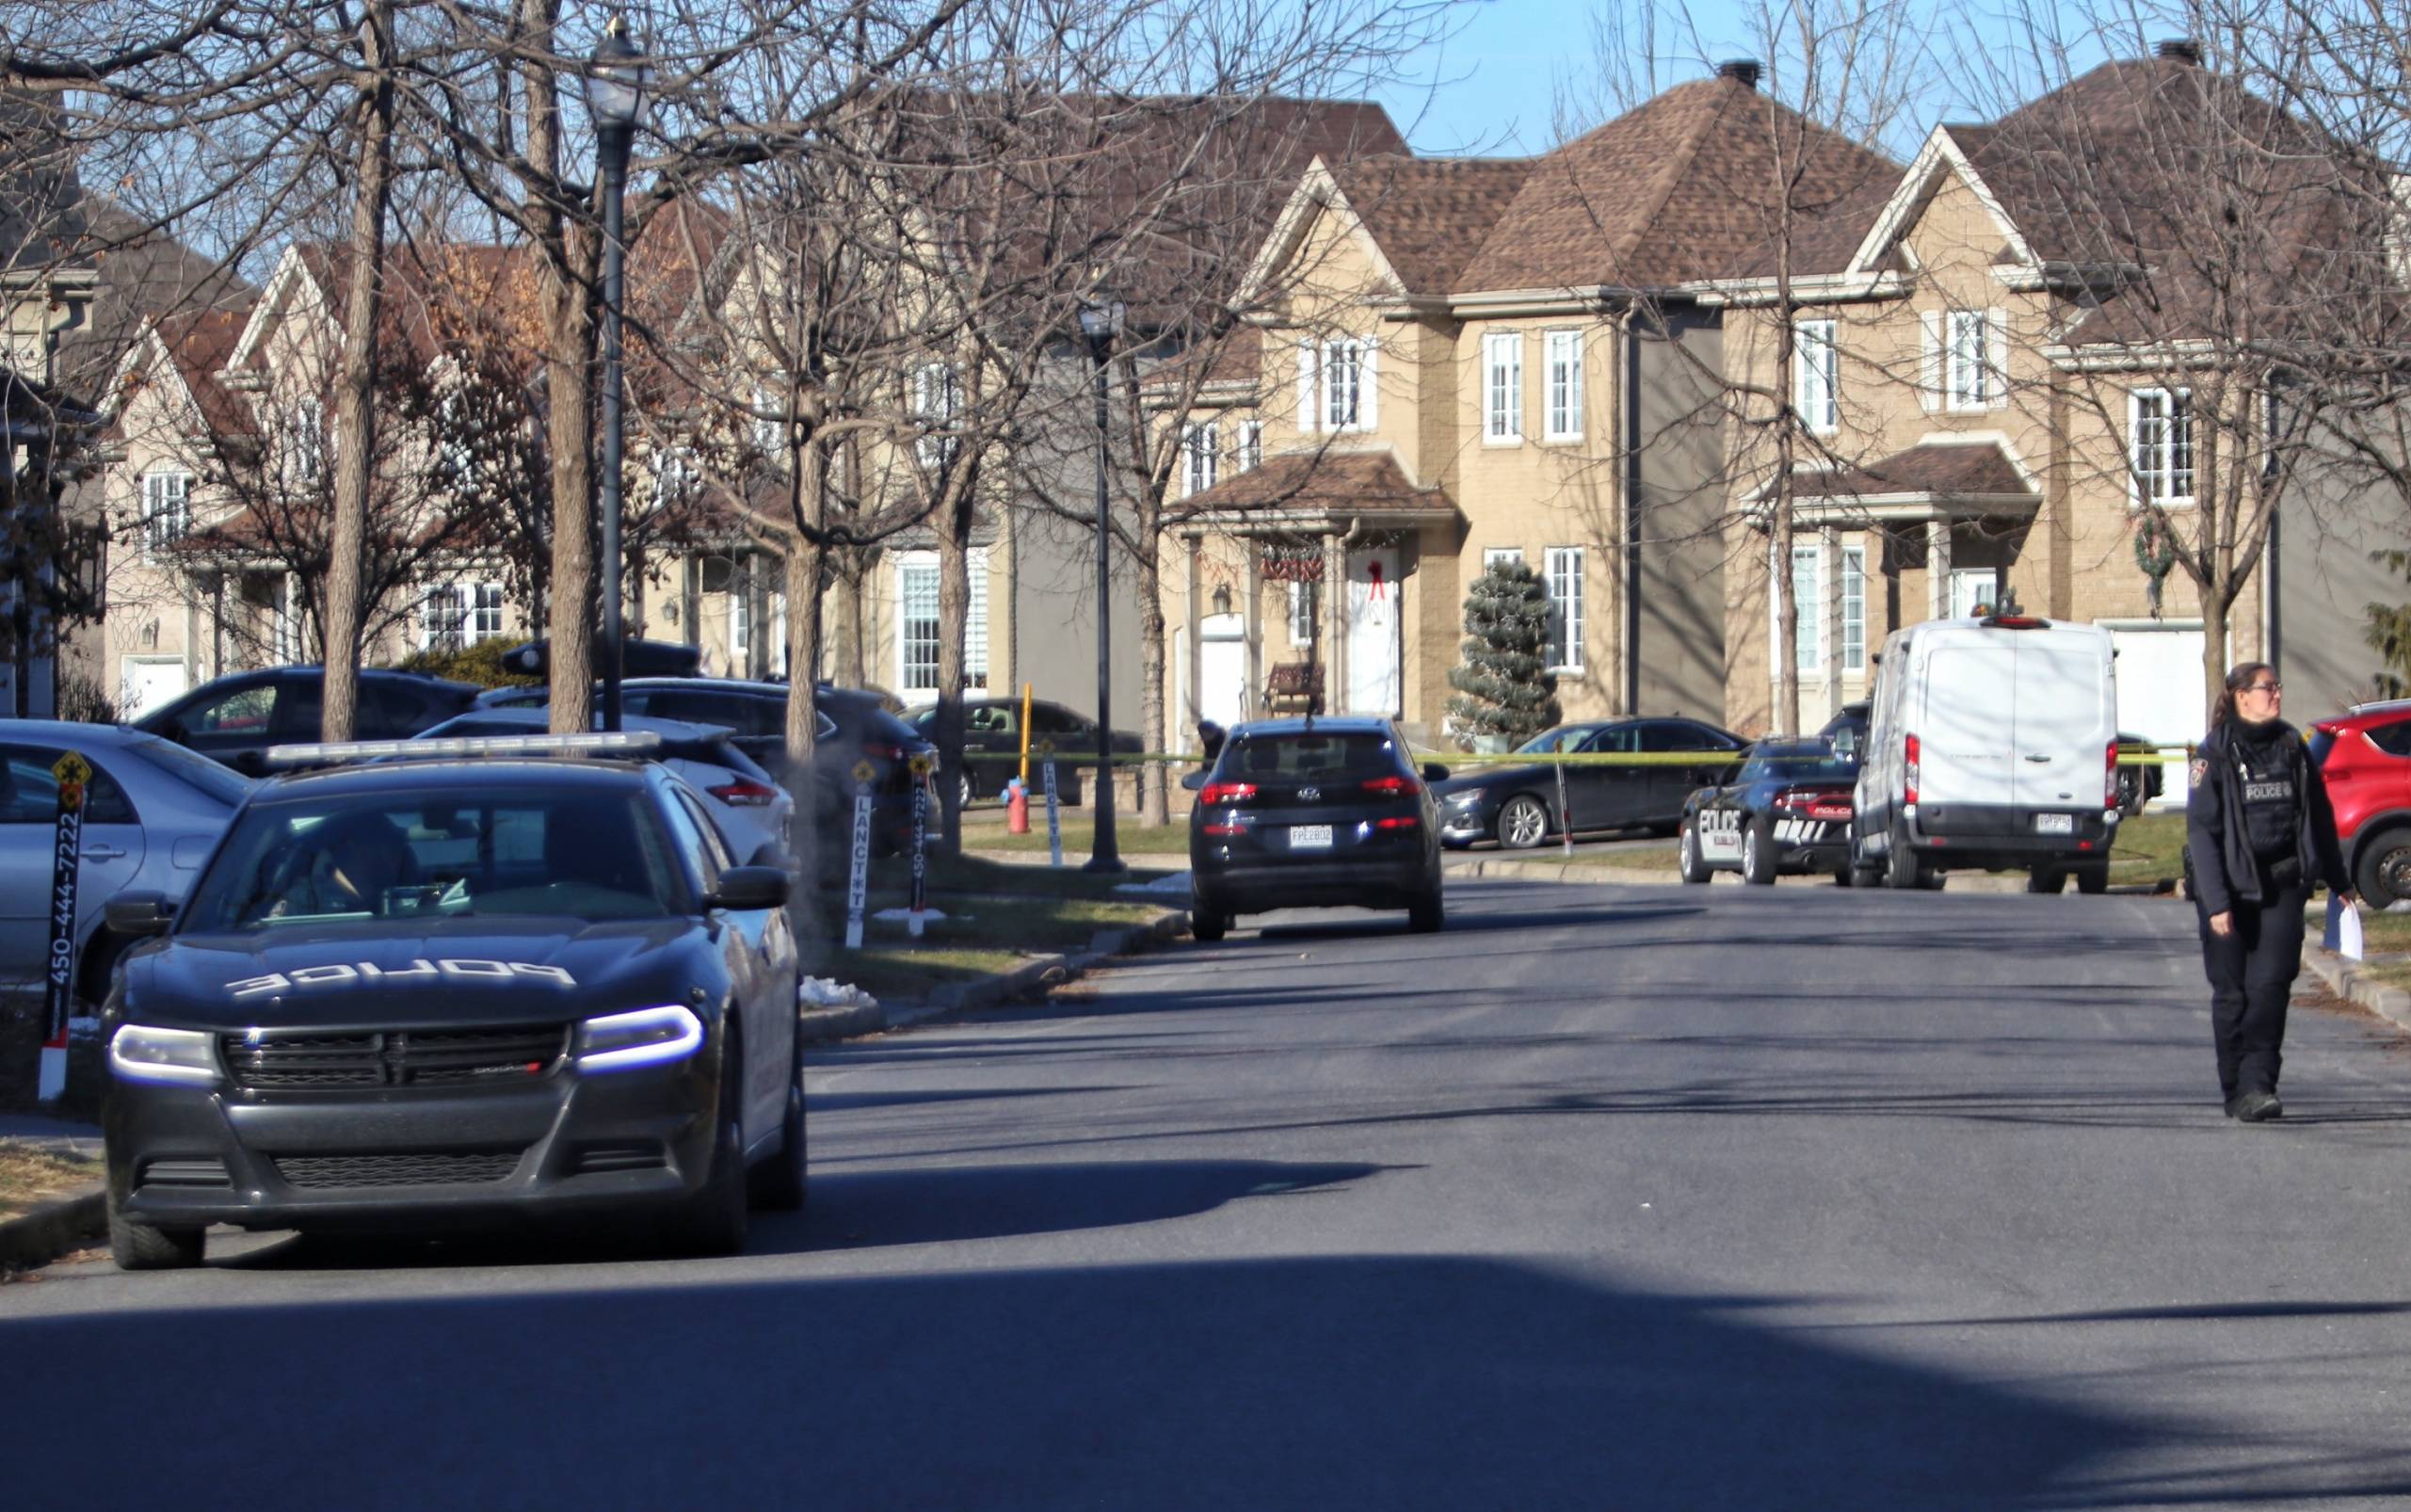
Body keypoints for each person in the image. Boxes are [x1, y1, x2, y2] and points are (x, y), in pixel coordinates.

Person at [2184, 663, 2355, 1122]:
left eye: (2278, 687)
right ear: (2241, 695)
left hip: (2283, 887)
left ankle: (2260, 1085)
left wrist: (2339, 881)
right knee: (2233, 994)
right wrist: (2216, 902)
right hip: (2229, 893)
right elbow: (2201, 833)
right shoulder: (2214, 754)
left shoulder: (2291, 747)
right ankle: (2234, 1089)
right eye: (2267, 688)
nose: (2276, 694)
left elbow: (2320, 816)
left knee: (2271, 987)